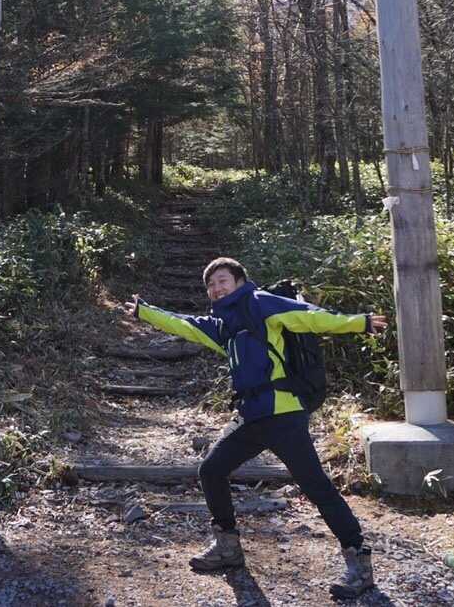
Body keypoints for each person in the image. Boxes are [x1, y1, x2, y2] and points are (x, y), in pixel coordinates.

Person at [124, 256, 388, 600]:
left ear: (238, 280)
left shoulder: (260, 303)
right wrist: (145, 312)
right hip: (250, 417)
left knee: (316, 486)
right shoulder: (223, 325)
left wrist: (359, 322)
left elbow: (307, 316)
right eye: (211, 285)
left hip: (283, 415)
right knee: (211, 470)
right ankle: (228, 547)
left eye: (222, 280)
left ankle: (359, 562)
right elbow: (185, 324)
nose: (216, 288)